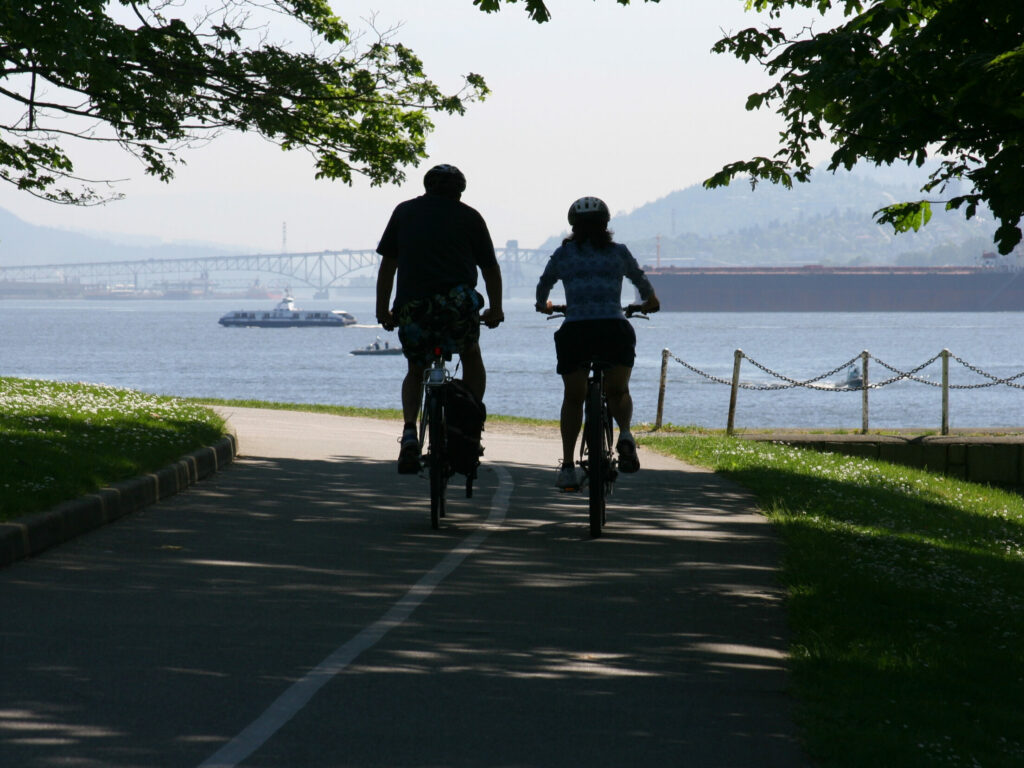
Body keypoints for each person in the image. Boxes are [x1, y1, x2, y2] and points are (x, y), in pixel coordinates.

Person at [376, 164, 504, 473]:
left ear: (427, 187)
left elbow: (388, 267)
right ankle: (470, 423)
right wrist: (496, 309)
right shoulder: (470, 217)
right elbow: (489, 269)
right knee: (471, 354)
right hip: (455, 308)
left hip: (413, 307)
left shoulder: (404, 212)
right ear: (460, 191)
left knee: (416, 367)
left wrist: (383, 310)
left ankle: (409, 431)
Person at [535, 196, 659, 489]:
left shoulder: (563, 255)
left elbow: (543, 285)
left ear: (574, 226)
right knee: (618, 391)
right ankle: (625, 434)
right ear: (606, 224)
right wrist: (650, 303)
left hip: (576, 332)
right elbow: (642, 284)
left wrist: (545, 305)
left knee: (574, 398)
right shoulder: (619, 252)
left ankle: (567, 467)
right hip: (613, 328)